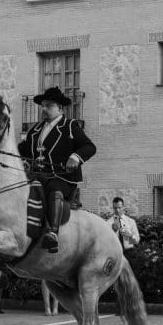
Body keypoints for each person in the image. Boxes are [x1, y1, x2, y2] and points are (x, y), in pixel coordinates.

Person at [18, 86, 97, 253]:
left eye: (49, 105)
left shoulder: (70, 126)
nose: (44, 109)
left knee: (54, 187)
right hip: (36, 176)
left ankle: (53, 234)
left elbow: (89, 147)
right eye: (43, 106)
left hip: (62, 178)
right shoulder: (34, 130)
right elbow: (22, 151)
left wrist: (75, 157)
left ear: (60, 108)